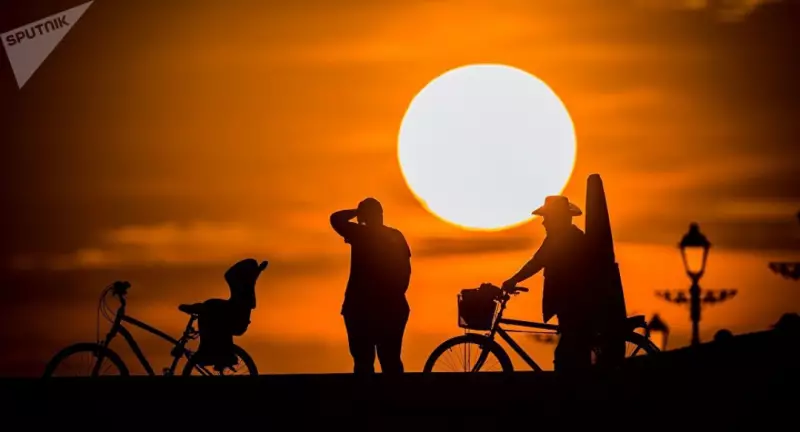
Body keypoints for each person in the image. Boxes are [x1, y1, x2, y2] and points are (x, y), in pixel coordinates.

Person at [502, 195, 595, 373]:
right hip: (570, 303)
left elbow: (536, 262)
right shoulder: (565, 237)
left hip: (573, 304)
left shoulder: (563, 240)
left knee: (567, 353)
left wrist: (513, 280)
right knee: (571, 350)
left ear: (557, 219)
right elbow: (537, 261)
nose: (543, 223)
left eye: (547, 218)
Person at [330, 198, 412, 375]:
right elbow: (406, 271)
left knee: (367, 362)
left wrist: (357, 212)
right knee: (387, 361)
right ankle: (396, 392)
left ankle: (375, 392)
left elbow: (336, 219)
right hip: (380, 308)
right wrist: (396, 295)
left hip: (366, 309)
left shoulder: (360, 234)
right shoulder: (391, 235)